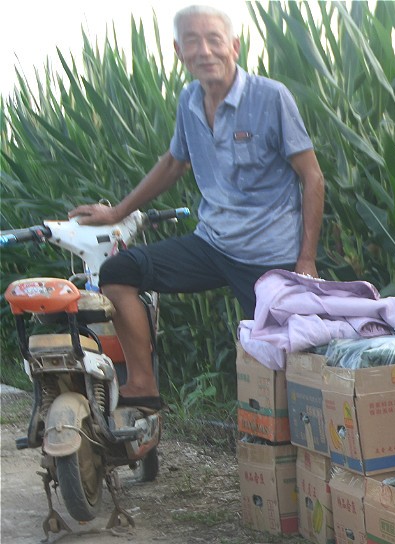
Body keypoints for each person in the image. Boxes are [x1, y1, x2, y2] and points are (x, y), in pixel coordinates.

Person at [68, 4, 324, 413]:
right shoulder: (189, 99)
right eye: (192, 41)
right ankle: (143, 386)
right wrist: (117, 212)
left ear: (234, 46)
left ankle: (296, 454)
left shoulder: (270, 97)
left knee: (288, 361)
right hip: (210, 244)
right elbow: (174, 162)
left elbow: (312, 177)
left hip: (268, 257)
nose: (204, 51)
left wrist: (306, 259)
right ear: (178, 51)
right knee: (118, 274)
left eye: (214, 40)